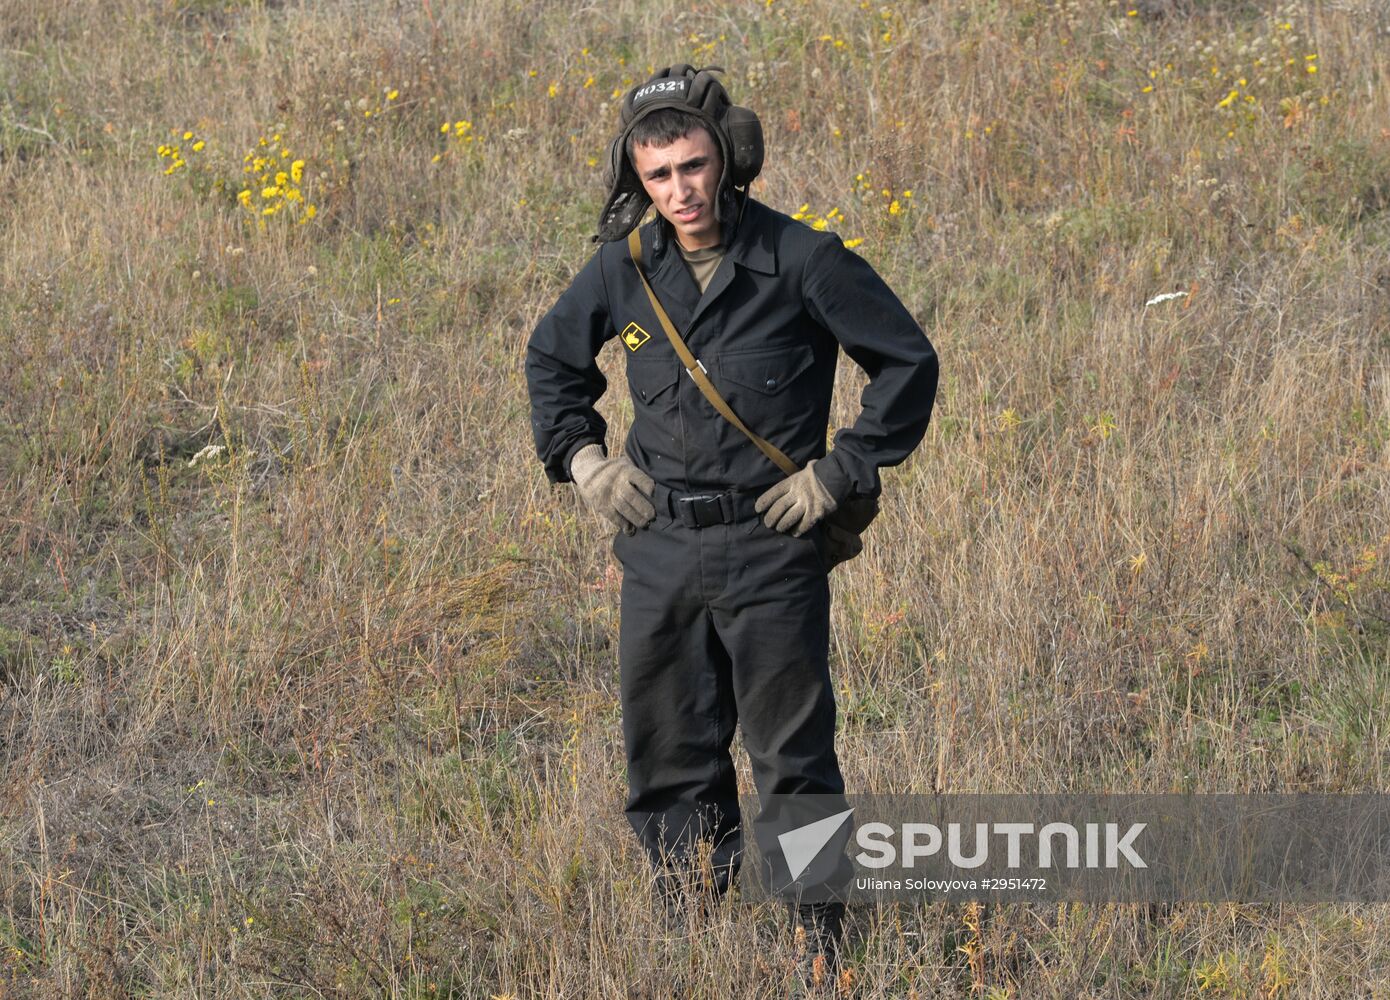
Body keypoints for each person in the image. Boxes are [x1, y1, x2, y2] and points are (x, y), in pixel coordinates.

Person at [524, 64, 938, 977]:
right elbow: (552, 362)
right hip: (660, 545)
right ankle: (687, 922)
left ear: (731, 159)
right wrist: (586, 462)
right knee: (669, 746)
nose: (682, 191)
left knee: (790, 754)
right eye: (660, 174)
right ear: (639, 177)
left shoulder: (802, 259)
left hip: (770, 545)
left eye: (696, 166)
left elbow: (908, 363)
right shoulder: (626, 269)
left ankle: (818, 939)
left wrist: (837, 474)